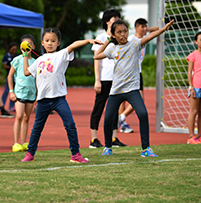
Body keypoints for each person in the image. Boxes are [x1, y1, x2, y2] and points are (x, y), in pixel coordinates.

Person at [94, 19, 174, 157]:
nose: (123, 34)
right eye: (119, 32)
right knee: (108, 119)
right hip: (116, 91)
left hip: (132, 89)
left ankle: (145, 149)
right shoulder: (112, 49)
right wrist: (108, 40)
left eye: (125, 31)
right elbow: (96, 56)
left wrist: (163, 29)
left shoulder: (135, 44)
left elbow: (150, 36)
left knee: (143, 114)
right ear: (114, 35)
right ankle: (107, 147)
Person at [21, 28, 100, 163]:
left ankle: (75, 154)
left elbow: (74, 45)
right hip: (43, 100)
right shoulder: (39, 60)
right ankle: (30, 154)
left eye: (53, 41)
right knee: (37, 128)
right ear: (42, 43)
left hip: (59, 99)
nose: (50, 43)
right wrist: (24, 56)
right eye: (47, 41)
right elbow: (27, 73)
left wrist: (87, 41)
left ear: (58, 43)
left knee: (70, 124)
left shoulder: (61, 55)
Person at [89, 9, 126, 148]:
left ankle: (114, 138)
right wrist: (97, 80)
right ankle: (94, 139)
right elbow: (97, 60)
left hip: (118, 79)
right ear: (106, 21)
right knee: (99, 107)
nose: (116, 19)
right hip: (104, 78)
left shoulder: (120, 38)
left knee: (115, 109)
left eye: (118, 17)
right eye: (113, 18)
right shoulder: (101, 37)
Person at [118, 18, 159, 133]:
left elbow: (157, 29)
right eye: (142, 26)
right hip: (127, 72)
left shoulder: (144, 38)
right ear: (136, 28)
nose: (145, 29)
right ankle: (123, 123)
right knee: (123, 100)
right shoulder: (131, 39)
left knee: (140, 99)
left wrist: (144, 29)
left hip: (137, 72)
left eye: (146, 26)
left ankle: (121, 118)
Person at [8, 35, 36, 152]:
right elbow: (10, 76)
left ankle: (24, 142)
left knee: (26, 117)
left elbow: (36, 79)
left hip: (31, 93)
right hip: (19, 92)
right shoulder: (17, 60)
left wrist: (38, 95)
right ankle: (15, 143)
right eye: (24, 44)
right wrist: (11, 91)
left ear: (33, 46)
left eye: (29, 44)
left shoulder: (35, 62)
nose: (26, 46)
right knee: (19, 116)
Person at [186, 31, 201, 144]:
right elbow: (189, 72)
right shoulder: (193, 55)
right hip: (196, 87)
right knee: (194, 111)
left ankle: (199, 136)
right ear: (196, 42)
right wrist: (191, 87)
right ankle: (191, 137)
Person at [2, 42, 18, 112]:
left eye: (15, 49)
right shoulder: (6, 56)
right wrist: (12, 68)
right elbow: (5, 65)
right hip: (9, 75)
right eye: (13, 49)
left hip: (16, 76)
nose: (14, 51)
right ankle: (2, 105)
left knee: (14, 92)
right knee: (7, 91)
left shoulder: (16, 56)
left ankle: (11, 106)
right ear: (10, 49)